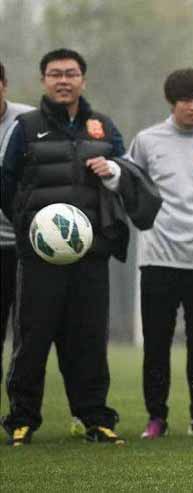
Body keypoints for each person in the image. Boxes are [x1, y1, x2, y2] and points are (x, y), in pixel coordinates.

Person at [1, 49, 160, 446]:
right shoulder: (26, 127)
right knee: (32, 339)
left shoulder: (102, 127)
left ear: (83, 80)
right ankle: (22, 419)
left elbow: (129, 177)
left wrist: (113, 172)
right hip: (39, 258)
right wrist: (27, 227)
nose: (63, 81)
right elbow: (6, 185)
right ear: (43, 80)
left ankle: (94, 418)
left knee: (89, 339)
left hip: (91, 255)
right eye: (55, 74)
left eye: (71, 74)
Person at [126, 68, 193, 439]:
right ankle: (156, 417)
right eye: (187, 100)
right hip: (158, 257)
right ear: (171, 102)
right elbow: (133, 187)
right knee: (156, 343)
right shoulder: (147, 141)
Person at [0, 61, 34, 407]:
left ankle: (20, 414)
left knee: (27, 337)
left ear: (4, 85)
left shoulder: (27, 122)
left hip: (25, 247)